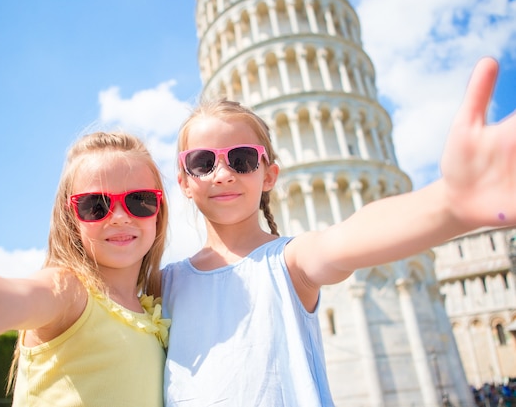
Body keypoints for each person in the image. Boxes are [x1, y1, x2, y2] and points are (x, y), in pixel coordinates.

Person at [161, 56, 516, 406]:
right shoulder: (166, 284)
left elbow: (349, 238)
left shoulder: (290, 262)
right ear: (184, 182)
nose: (223, 173)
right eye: (202, 163)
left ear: (268, 175)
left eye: (242, 159)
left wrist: (449, 203)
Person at [0, 131, 171, 406]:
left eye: (140, 200)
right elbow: (1, 298)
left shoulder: (154, 310)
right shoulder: (69, 291)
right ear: (71, 218)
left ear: (159, 209)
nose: (120, 217)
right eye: (95, 205)